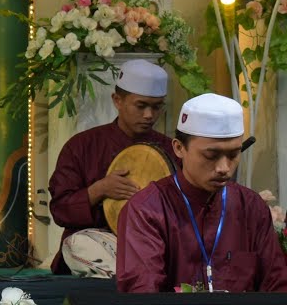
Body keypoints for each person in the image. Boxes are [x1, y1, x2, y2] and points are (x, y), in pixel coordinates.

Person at [117, 93, 287, 292]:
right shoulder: (147, 210)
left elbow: (277, 289)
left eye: (233, 154)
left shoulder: (250, 206)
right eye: (211, 155)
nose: (224, 168)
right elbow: (143, 300)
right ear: (179, 148)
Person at [48, 59, 177, 277]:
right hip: (95, 246)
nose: (149, 115)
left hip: (154, 245)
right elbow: (60, 210)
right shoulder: (82, 145)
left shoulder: (172, 149)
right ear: (117, 100)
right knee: (80, 244)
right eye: (141, 105)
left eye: (157, 107)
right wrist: (99, 190)